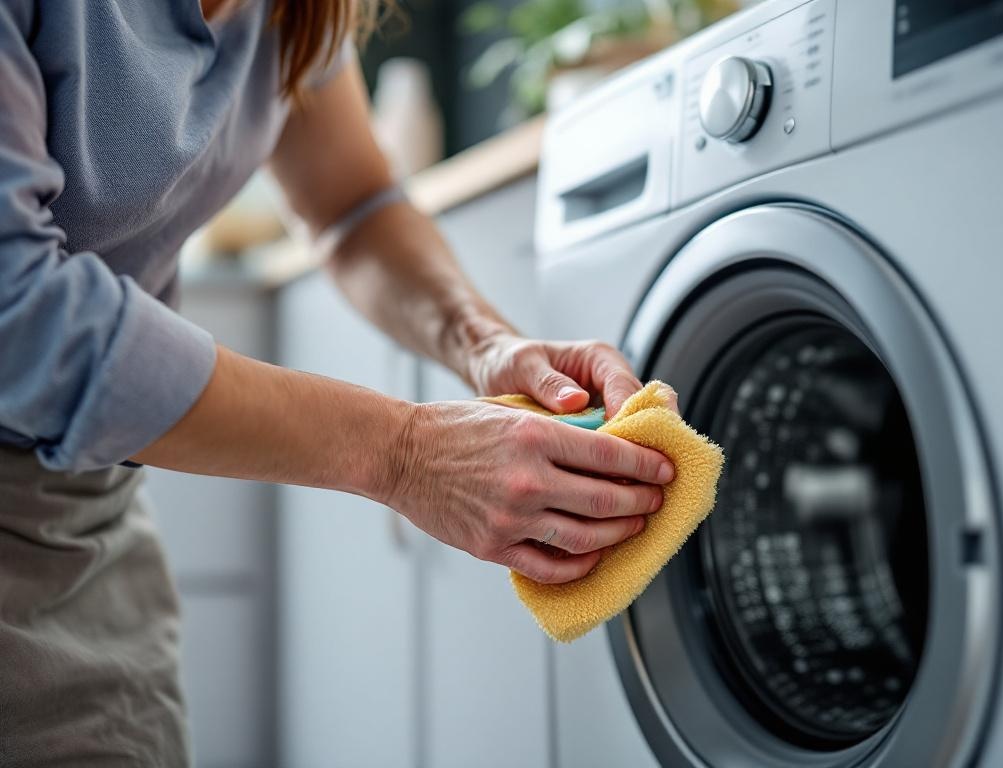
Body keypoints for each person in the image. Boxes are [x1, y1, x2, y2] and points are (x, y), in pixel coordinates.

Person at [0, 0, 674, 763]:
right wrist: (405, 454)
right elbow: (19, 318)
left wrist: (484, 344)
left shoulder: (292, 11)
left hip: (90, 510)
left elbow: (352, 203)